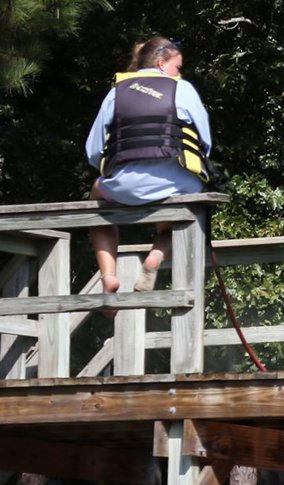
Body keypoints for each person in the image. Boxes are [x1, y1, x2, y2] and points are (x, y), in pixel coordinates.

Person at [85, 36, 213, 299]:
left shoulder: (116, 93)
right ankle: (155, 255)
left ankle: (109, 276)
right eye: (178, 67)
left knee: (95, 202)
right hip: (180, 184)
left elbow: (93, 151)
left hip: (124, 187)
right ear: (161, 61)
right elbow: (205, 143)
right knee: (171, 225)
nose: (180, 73)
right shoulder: (184, 89)